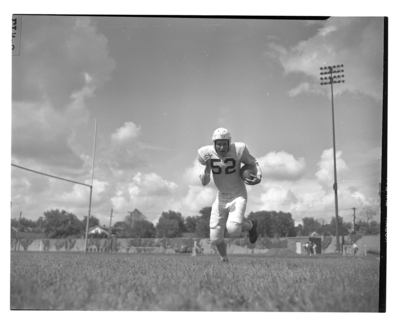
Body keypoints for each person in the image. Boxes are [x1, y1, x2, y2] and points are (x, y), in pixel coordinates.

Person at [197, 127, 262, 263]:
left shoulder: (239, 149)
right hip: (221, 196)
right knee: (215, 238)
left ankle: (251, 226)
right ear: (214, 143)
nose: (221, 147)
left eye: (224, 143)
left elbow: (253, 162)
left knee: (233, 230)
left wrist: (258, 176)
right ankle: (224, 260)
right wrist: (208, 167)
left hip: (238, 194)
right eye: (218, 143)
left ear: (229, 143)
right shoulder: (205, 153)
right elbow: (204, 182)